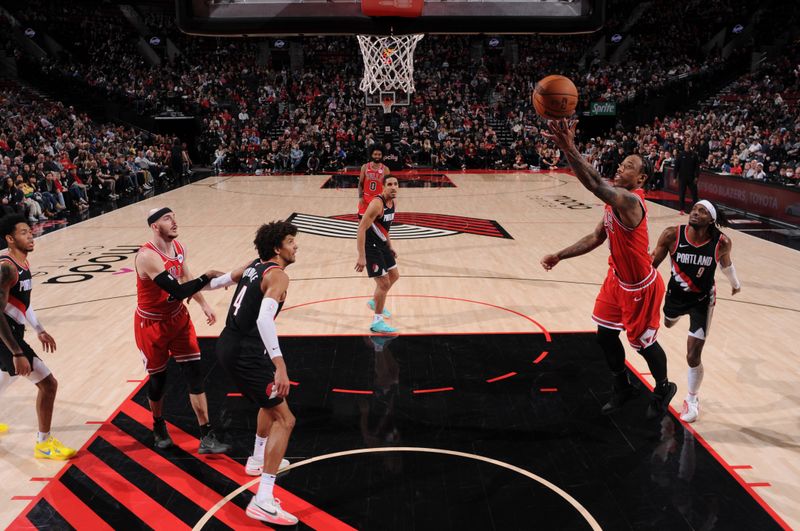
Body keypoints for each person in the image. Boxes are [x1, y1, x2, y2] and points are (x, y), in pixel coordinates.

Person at [541, 119, 676, 418]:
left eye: (628, 166)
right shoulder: (613, 204)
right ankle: (622, 386)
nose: (620, 167)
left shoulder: (630, 201)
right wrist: (560, 255)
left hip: (640, 286)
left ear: (640, 179)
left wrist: (568, 147)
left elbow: (593, 184)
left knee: (642, 344)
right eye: (622, 163)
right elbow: (596, 237)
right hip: (616, 280)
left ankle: (664, 386)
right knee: (604, 335)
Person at [215, 221, 299, 526]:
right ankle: (262, 500)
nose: (295, 246)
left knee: (269, 404)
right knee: (285, 419)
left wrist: (199, 285)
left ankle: (257, 458)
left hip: (229, 343)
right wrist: (280, 364)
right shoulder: (278, 275)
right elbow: (265, 320)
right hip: (245, 353)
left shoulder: (254, 266)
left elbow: (223, 279)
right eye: (291, 241)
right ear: (277, 248)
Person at [134, 207, 230, 454]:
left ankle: (206, 435)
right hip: (151, 325)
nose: (174, 221)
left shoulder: (179, 249)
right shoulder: (147, 256)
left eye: (175, 216)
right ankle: (157, 424)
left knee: (195, 374)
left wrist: (204, 304)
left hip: (178, 319)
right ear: (155, 226)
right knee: (159, 380)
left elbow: (187, 280)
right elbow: (177, 291)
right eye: (167, 218)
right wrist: (208, 275)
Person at [651, 200, 741, 423]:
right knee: (668, 323)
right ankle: (676, 315)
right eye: (694, 210)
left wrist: (735, 283)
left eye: (702, 211)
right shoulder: (672, 235)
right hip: (676, 296)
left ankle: (692, 399)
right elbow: (653, 264)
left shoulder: (722, 242)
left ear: (711, 219)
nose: (695, 213)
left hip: (703, 300)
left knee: (693, 354)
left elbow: (726, 265)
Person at [0, 215, 76, 459]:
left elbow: (23, 304)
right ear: (10, 239)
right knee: (48, 384)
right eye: (23, 232)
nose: (30, 235)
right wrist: (17, 352)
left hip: (11, 332)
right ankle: (43, 443)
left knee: (4, 377)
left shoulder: (22, 262)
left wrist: (39, 329)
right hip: (4, 336)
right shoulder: (6, 267)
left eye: (30, 231)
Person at [356, 175, 400, 334]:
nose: (393, 187)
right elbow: (361, 228)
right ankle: (377, 323)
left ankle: (376, 301)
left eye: (396, 184)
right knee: (384, 284)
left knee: (394, 275)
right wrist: (362, 256)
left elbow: (384, 227)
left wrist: (390, 245)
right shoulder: (377, 204)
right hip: (370, 246)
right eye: (389, 184)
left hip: (381, 244)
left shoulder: (393, 202)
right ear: (383, 187)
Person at [358, 147, 391, 219]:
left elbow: (388, 187)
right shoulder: (365, 167)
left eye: (379, 154)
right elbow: (360, 183)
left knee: (377, 223)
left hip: (378, 199)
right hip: (365, 198)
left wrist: (387, 200)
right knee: (362, 222)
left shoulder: (385, 169)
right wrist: (360, 197)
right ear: (371, 155)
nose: (377, 156)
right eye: (375, 154)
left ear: (382, 155)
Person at [674, 142, 700, 215]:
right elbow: (676, 167)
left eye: (688, 145)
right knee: (682, 194)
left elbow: (697, 167)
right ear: (684, 146)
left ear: (690, 146)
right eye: (686, 145)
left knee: (695, 194)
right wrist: (674, 177)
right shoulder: (680, 155)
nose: (687, 146)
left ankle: (696, 209)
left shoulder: (694, 155)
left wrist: (697, 177)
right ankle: (682, 209)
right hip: (682, 178)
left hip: (691, 178)